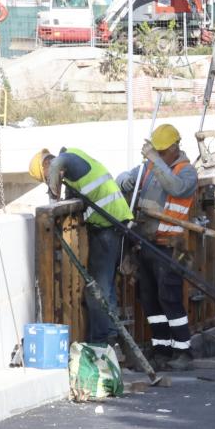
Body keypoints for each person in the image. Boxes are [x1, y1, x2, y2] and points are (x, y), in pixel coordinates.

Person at [29, 147, 133, 345]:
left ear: (46, 166)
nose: (50, 179)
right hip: (112, 226)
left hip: (109, 228)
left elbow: (59, 163)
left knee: (96, 292)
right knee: (106, 288)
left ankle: (100, 342)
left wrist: (53, 192)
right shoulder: (74, 170)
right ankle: (110, 337)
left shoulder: (69, 159)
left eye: (46, 177)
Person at [117, 123, 200, 370]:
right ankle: (161, 350)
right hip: (145, 244)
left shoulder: (187, 172)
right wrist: (126, 182)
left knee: (170, 298)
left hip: (171, 247)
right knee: (150, 300)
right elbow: (123, 177)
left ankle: (183, 351)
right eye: (157, 152)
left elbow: (175, 187)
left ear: (175, 147)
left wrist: (155, 159)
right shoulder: (149, 168)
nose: (160, 156)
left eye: (163, 152)